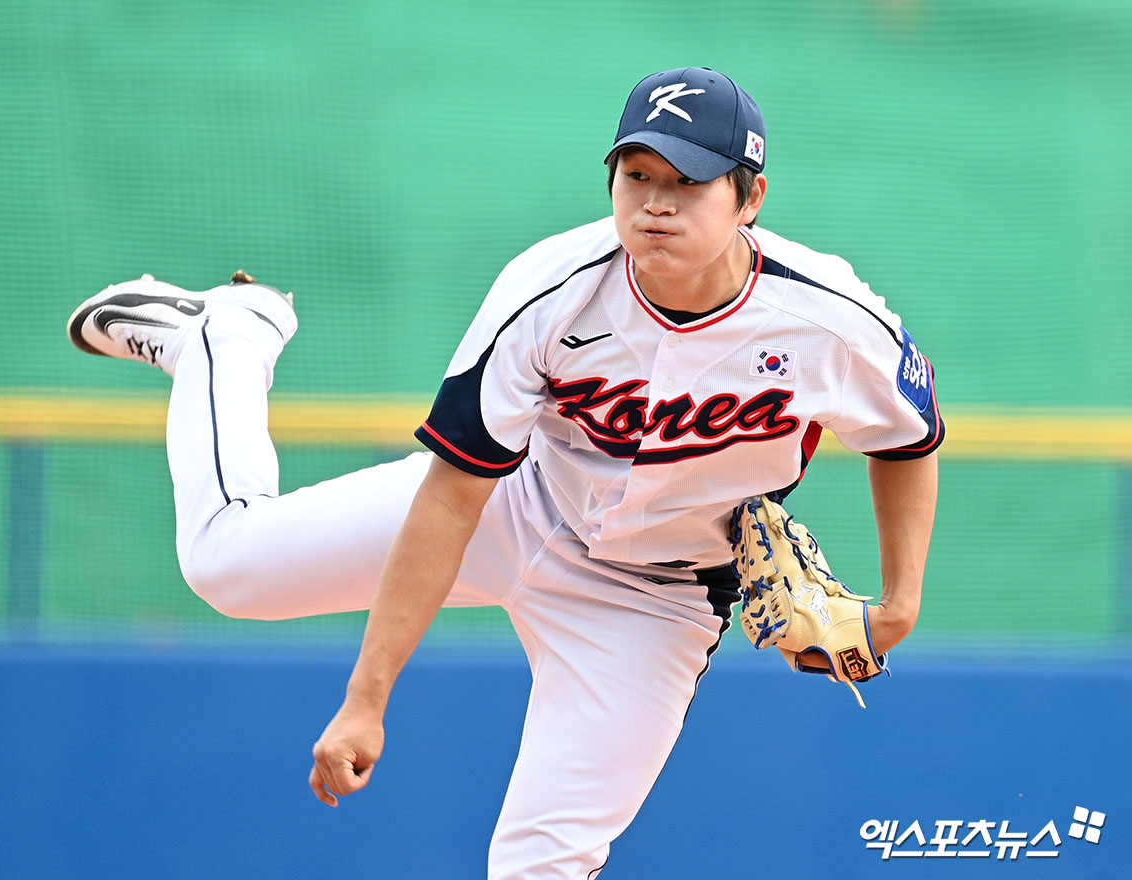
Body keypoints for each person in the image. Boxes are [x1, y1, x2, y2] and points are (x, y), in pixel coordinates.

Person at [67, 67, 942, 878]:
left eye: (687, 182)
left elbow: (908, 437)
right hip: (517, 505)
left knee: (542, 864)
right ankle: (226, 339)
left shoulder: (830, 320)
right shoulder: (550, 289)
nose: (655, 204)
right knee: (224, 564)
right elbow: (452, 500)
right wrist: (367, 697)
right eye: (637, 175)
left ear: (750, 198)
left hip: (652, 600)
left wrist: (900, 603)